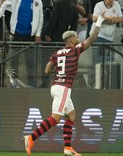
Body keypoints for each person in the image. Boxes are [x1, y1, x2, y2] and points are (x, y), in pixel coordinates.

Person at [23, 12, 106, 156]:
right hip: (63, 88)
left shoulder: (56, 53)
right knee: (55, 118)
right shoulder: (75, 50)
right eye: (76, 36)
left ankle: (67, 148)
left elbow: (47, 70)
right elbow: (92, 38)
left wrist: (59, 67)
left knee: (71, 116)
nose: (77, 38)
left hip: (56, 86)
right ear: (72, 39)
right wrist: (100, 21)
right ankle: (31, 138)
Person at [0, 0, 44, 87]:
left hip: (30, 35)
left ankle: (31, 82)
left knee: (30, 59)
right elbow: (4, 5)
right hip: (17, 33)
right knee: (14, 59)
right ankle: (14, 82)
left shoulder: (38, 2)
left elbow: (40, 18)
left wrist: (38, 34)